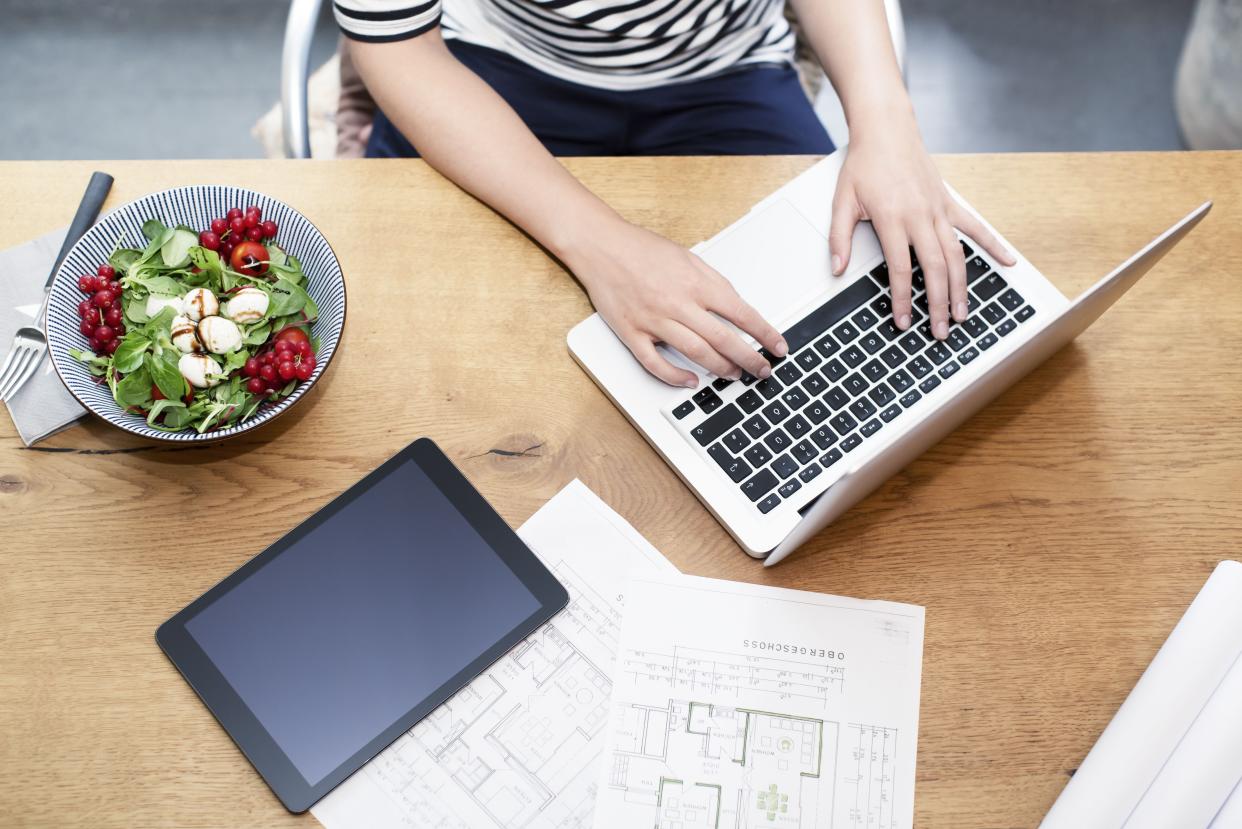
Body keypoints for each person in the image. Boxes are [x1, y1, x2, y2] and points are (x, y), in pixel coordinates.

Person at [335, 0, 1016, 388]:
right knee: (412, 351)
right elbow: (400, 50)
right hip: (494, 71)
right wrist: (598, 244)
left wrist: (887, 121)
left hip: (726, 73)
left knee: (833, 348)